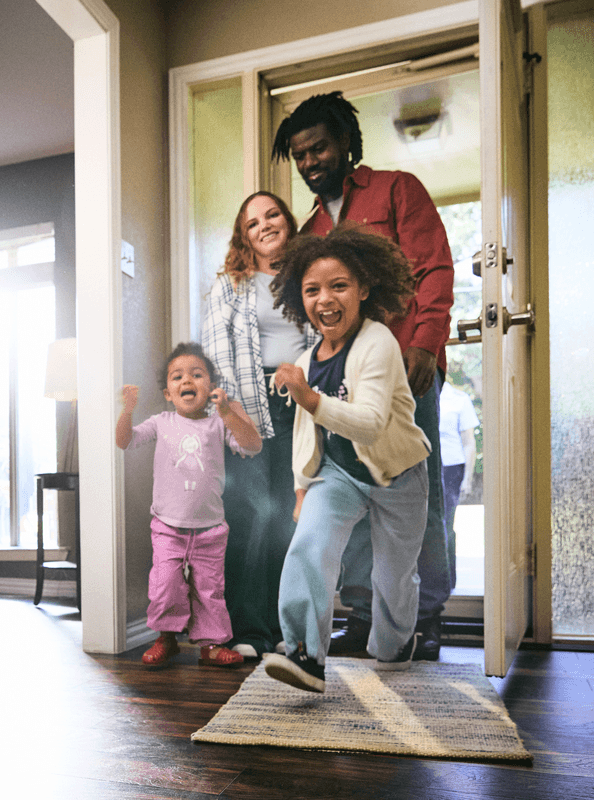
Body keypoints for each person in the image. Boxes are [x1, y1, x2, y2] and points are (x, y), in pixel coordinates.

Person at [272, 91, 454, 660]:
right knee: (344, 494)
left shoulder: (396, 190)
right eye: (299, 156)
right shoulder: (309, 228)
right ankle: (362, 615)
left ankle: (423, 618)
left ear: (347, 143)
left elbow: (434, 266)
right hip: (338, 388)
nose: (309, 163)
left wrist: (425, 342)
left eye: (319, 148)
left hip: (405, 376)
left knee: (411, 500)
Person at [263, 227, 430, 694]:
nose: (325, 299)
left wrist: (309, 396)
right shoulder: (308, 355)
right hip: (339, 472)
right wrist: (301, 486)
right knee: (309, 543)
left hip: (397, 472)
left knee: (392, 575)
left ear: (363, 289)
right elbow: (304, 432)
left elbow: (372, 423)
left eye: (338, 286)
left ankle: (393, 651)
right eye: (312, 290)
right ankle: (304, 654)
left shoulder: (377, 342)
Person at [202, 192, 319, 659]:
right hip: (247, 405)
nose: (265, 225)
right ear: (244, 236)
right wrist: (234, 411)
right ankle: (248, 629)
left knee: (291, 519)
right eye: (253, 223)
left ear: (288, 223)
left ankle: (283, 627)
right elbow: (216, 350)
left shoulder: (308, 278)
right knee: (252, 515)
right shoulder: (231, 285)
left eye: (272, 215)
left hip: (301, 404)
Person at [116, 342, 262, 668]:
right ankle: (166, 639)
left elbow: (252, 445)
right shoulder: (161, 422)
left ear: (210, 387)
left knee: (210, 591)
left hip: (210, 528)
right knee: (166, 585)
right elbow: (125, 441)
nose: (187, 381)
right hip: (168, 526)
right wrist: (127, 411)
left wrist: (228, 412)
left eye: (197, 375)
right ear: (168, 392)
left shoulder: (217, 423)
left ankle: (210, 645)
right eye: (177, 376)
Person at [438, 381, 479, 588]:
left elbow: (469, 443)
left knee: (446, 524)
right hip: (425, 465)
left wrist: (467, 479)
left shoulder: (459, 400)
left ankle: (447, 580)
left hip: (451, 468)